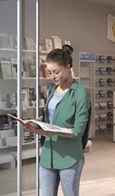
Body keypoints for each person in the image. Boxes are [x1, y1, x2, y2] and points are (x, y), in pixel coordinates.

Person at [25, 45, 90, 196]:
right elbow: (51, 116)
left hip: (69, 157)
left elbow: (77, 131)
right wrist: (36, 122)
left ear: (68, 68)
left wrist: (48, 130)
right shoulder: (52, 90)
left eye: (56, 72)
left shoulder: (80, 93)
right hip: (48, 155)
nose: (52, 76)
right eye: (49, 72)